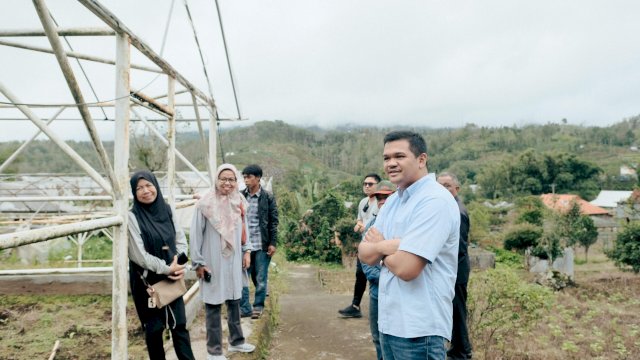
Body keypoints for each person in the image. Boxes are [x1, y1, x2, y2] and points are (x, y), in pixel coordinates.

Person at [359, 131, 460, 360]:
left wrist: (381, 248)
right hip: (389, 322)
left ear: (421, 159)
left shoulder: (434, 201)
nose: (391, 163)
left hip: (419, 329)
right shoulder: (394, 200)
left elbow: (407, 269)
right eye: (386, 158)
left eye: (399, 156)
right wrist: (392, 246)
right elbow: (364, 253)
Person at [127, 170, 195, 360]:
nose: (145, 191)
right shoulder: (132, 217)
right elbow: (138, 255)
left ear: (156, 186)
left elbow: (181, 240)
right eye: (139, 188)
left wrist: (178, 263)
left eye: (149, 185)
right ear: (134, 192)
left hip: (173, 278)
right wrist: (167, 269)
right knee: (154, 330)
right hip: (147, 282)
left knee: (179, 326)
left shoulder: (167, 210)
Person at [190, 164, 256, 360]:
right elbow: (195, 236)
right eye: (223, 178)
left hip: (234, 259)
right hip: (212, 260)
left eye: (231, 179)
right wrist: (199, 263)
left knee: (235, 299)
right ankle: (214, 351)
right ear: (216, 180)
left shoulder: (239, 201)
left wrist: (247, 251)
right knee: (213, 304)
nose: (227, 182)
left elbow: (245, 231)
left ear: (237, 182)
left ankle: (236, 342)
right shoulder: (205, 203)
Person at [437, 172, 472, 360]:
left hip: (456, 271)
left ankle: (463, 353)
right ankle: (456, 349)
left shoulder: (457, 211)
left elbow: (458, 247)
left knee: (457, 314)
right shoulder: (448, 207)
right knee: (452, 312)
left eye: (447, 185)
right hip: (452, 271)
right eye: (439, 185)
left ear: (456, 189)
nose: (443, 188)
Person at [361, 180, 397, 360]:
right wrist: (388, 269)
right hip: (377, 290)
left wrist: (380, 254)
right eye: (379, 197)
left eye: (386, 196)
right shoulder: (371, 227)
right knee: (378, 337)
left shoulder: (402, 224)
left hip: (400, 290)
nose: (382, 200)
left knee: (397, 339)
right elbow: (366, 262)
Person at [239, 164, 279, 319]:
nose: (246, 180)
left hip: (262, 244)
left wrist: (273, 243)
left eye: (249, 177)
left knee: (261, 277)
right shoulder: (241, 196)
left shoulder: (267, 197)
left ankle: (258, 306)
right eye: (244, 177)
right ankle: (244, 308)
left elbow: (273, 222)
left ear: (258, 178)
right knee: (242, 277)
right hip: (244, 245)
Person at [338, 173, 381, 318]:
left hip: (377, 246)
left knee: (376, 277)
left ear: (378, 186)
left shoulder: (381, 202)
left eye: (370, 184)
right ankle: (355, 306)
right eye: (365, 184)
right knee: (360, 275)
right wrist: (358, 226)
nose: (367, 186)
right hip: (364, 245)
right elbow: (360, 220)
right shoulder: (363, 202)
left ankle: (381, 309)